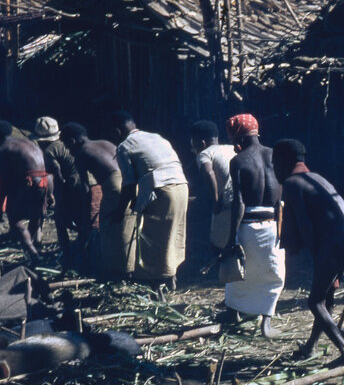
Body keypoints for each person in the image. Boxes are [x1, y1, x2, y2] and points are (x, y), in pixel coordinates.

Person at [273, 139, 344, 362]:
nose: (274, 170)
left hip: (336, 242)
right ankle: (310, 348)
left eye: (274, 164)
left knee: (315, 302)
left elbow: (305, 228)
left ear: (283, 162)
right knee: (326, 297)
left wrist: (318, 260)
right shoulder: (317, 178)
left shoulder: (293, 183)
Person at [218, 114, 286, 339]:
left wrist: (230, 239)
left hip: (248, 223)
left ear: (236, 138)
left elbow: (239, 202)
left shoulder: (238, 161)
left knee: (239, 271)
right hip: (274, 224)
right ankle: (266, 323)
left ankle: (233, 313)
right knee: (272, 271)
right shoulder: (276, 155)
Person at [110, 111, 189, 290]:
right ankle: (170, 279)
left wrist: (120, 212)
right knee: (172, 235)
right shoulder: (157, 137)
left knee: (152, 239)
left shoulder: (124, 146)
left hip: (163, 190)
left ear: (116, 131)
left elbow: (129, 185)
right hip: (182, 186)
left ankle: (157, 286)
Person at [60, 122, 128, 278]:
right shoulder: (106, 143)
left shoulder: (81, 153)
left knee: (105, 227)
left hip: (114, 184)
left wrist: (85, 213)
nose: (69, 150)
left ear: (72, 141)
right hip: (130, 181)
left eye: (67, 146)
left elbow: (86, 188)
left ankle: (111, 269)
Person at [0, 120, 52, 261]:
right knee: (36, 216)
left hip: (29, 182)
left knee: (15, 219)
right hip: (45, 180)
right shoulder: (26, 142)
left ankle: (32, 252)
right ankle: (33, 243)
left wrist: (0, 208)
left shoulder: (4, 148)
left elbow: (4, 181)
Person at [32, 116, 89, 270]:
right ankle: (82, 248)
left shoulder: (50, 151)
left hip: (72, 185)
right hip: (85, 183)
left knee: (60, 220)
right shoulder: (66, 145)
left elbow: (59, 177)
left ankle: (68, 257)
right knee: (83, 218)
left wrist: (56, 198)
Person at [190, 120, 237, 251]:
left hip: (225, 206)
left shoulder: (205, 153)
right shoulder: (231, 148)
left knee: (218, 247)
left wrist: (215, 201)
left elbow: (208, 172)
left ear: (201, 142)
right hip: (242, 204)